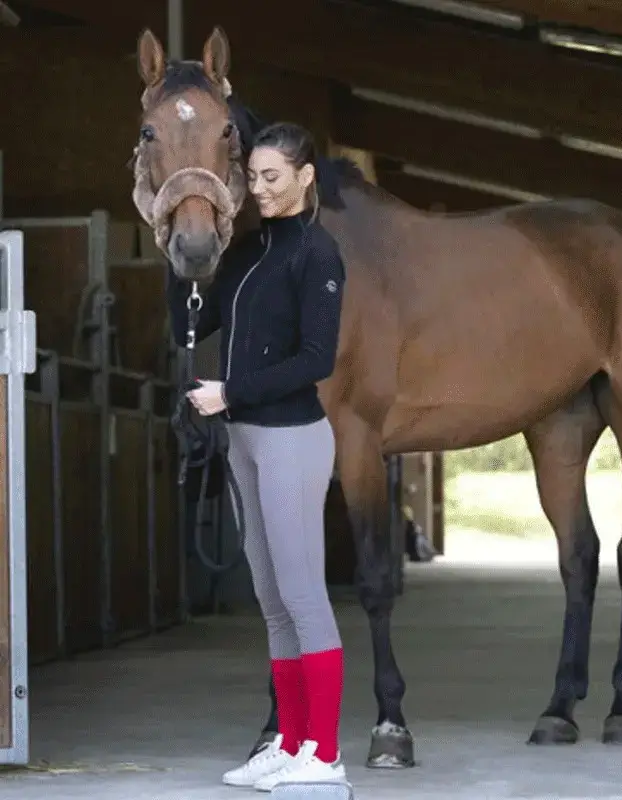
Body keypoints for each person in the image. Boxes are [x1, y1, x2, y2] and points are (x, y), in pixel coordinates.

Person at [166, 121, 347, 791]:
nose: (262, 189)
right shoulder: (247, 253)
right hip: (244, 437)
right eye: (256, 178)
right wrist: (176, 251)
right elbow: (188, 325)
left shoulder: (317, 256)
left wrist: (232, 391)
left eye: (273, 178)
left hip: (292, 437)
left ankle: (323, 755)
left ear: (304, 178)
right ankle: (291, 739)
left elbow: (316, 361)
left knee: (303, 595)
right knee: (271, 600)